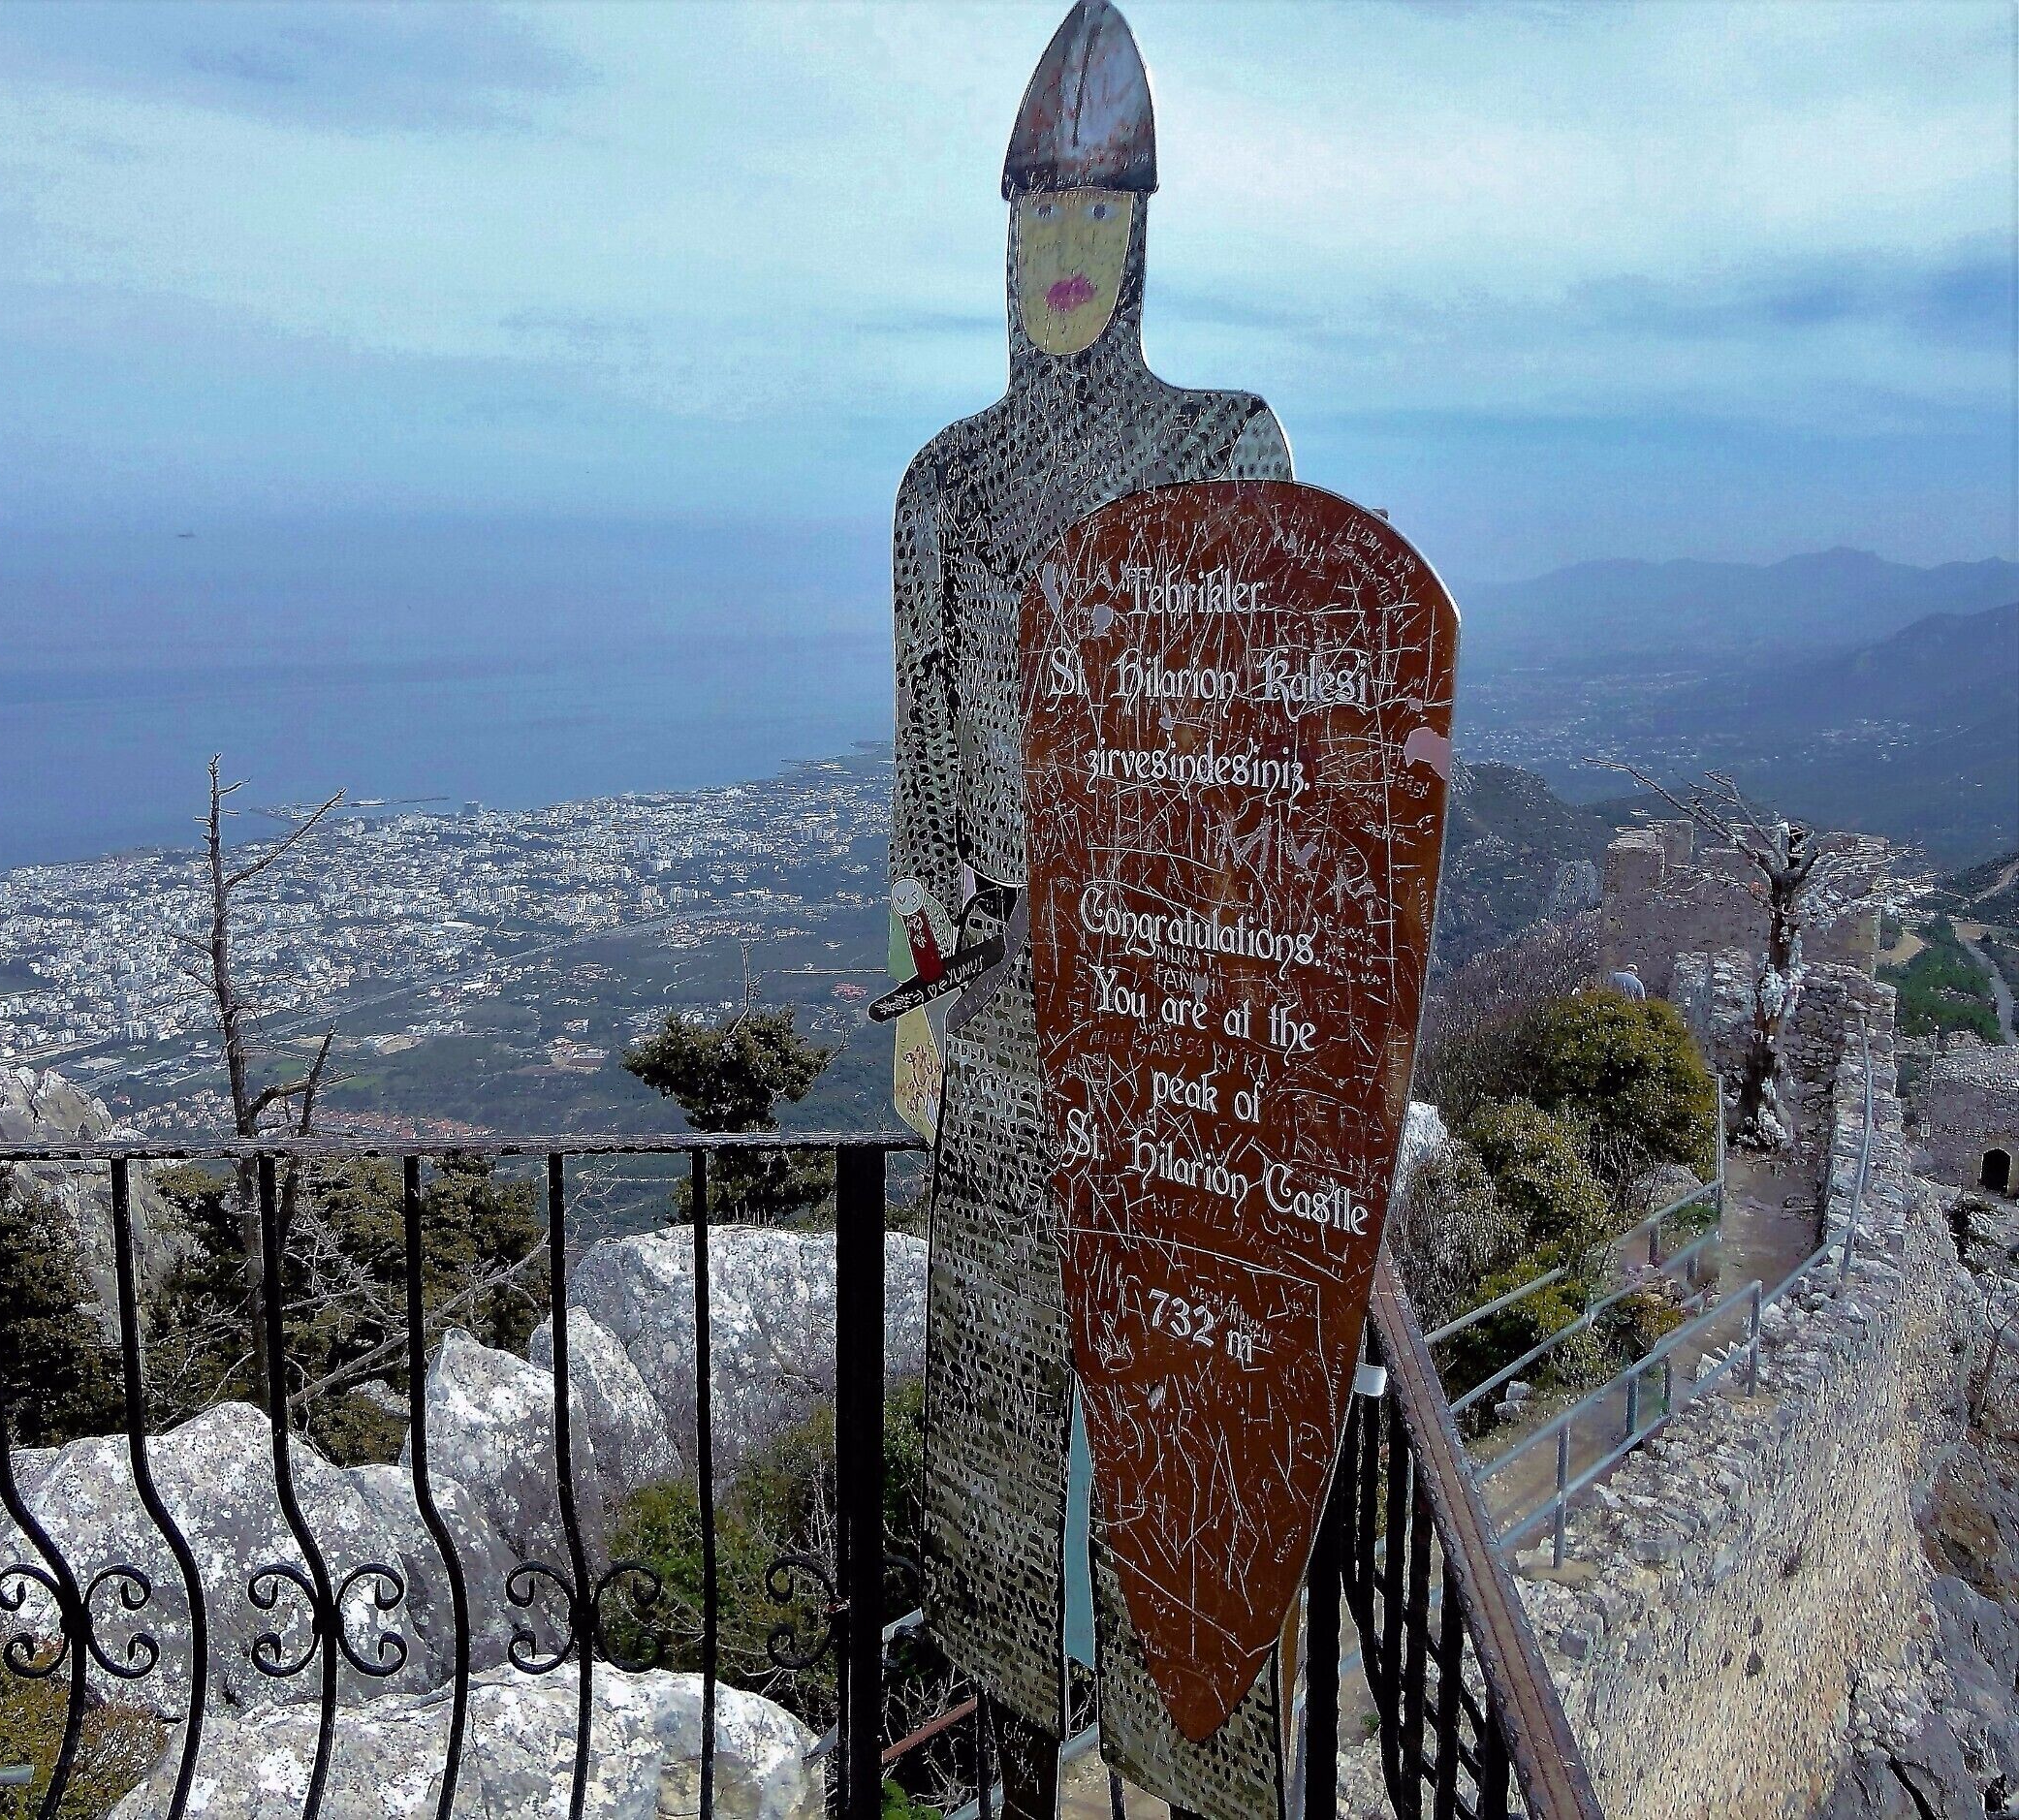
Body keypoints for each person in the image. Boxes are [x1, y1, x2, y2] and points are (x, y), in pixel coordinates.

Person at [885, 5, 1295, 1811]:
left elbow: (1273, 762)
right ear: (1003, 237)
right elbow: (920, 772)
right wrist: (917, 1006)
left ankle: (1182, 1756)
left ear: (1143, 238)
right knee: (991, 1397)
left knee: (1174, 1397)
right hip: (998, 997)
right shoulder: (946, 491)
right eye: (1036, 216)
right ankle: (1000, 1744)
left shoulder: (1225, 450)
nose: (1063, 252)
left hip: (1176, 1006)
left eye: (1094, 216)